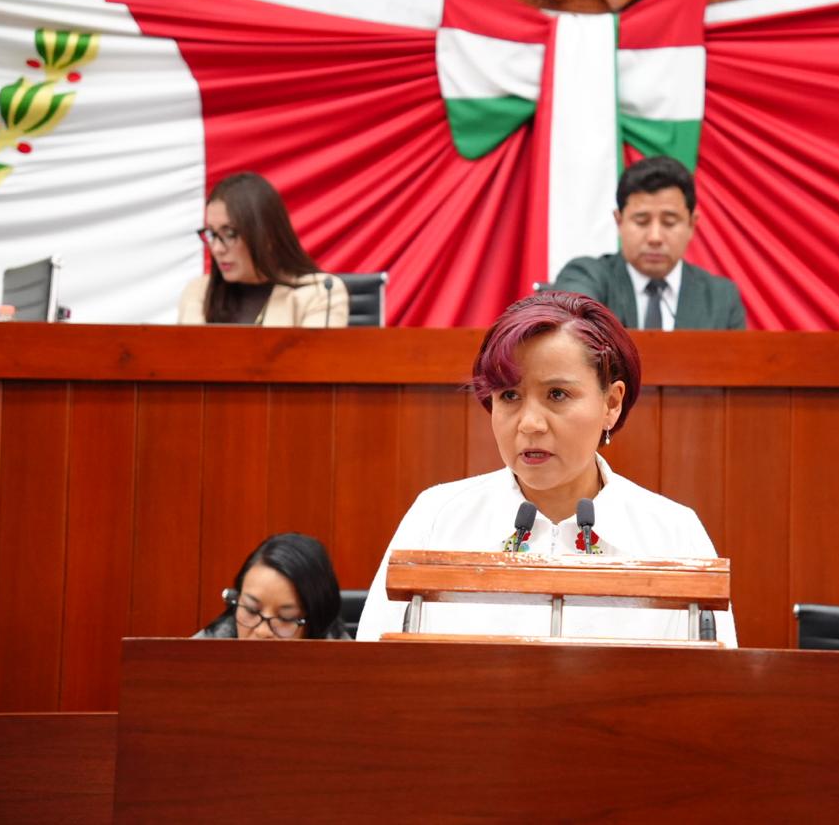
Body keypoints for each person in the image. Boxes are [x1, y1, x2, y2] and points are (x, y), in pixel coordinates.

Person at [356, 291, 738, 644]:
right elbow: (374, 672)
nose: (530, 424)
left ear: (611, 403)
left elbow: (712, 684)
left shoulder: (672, 531)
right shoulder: (439, 517)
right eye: (510, 396)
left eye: (557, 394)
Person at [552, 156, 746, 330]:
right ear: (619, 222)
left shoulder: (720, 297)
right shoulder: (587, 276)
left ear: (691, 225)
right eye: (641, 221)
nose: (655, 237)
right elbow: (574, 330)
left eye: (669, 222)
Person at [178, 172, 349, 327]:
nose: (217, 249)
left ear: (267, 235)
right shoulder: (198, 293)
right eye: (212, 234)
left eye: (229, 234)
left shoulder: (319, 292)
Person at [195, 532, 349, 640]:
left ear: (316, 625)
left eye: (285, 618)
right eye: (251, 610)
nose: (262, 632)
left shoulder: (347, 669)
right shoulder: (196, 661)